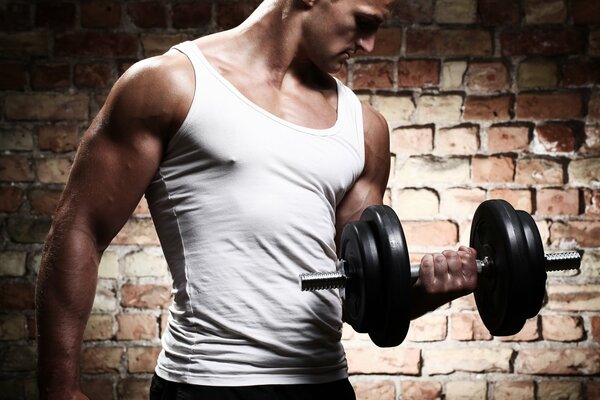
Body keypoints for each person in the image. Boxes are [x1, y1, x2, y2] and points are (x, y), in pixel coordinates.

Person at [35, 0, 478, 398]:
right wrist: (59, 388)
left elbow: (359, 295)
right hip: (206, 383)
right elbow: (81, 230)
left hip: (324, 385)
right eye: (363, 22)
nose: (368, 43)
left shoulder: (364, 127)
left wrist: (429, 291)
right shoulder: (171, 84)